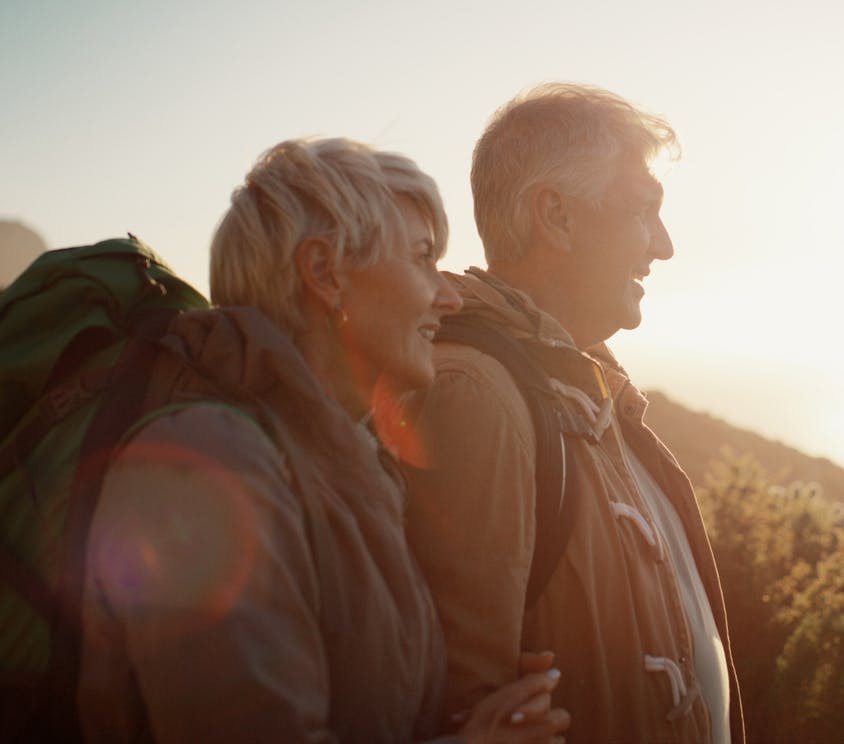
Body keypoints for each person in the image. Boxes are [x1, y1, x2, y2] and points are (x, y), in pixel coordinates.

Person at [76, 138, 571, 743]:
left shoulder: (350, 463)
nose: (451, 295)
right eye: (421, 257)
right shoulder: (206, 464)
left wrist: (455, 696)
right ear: (324, 273)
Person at [388, 84, 746, 744]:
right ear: (555, 216)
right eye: (643, 211)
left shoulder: (585, 388)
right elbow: (469, 704)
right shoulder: (479, 396)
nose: (663, 245)